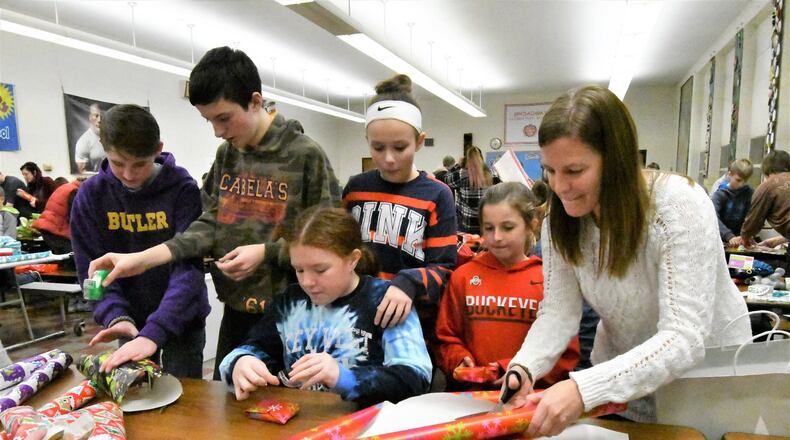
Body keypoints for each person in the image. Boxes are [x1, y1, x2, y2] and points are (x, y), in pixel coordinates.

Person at [499, 85, 751, 436]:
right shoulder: (561, 219)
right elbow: (558, 311)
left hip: (706, 380)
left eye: (574, 170)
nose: (559, 186)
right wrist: (525, 366)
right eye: (549, 171)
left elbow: (685, 336)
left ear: (614, 161)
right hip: (622, 379)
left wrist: (582, 388)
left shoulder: (677, 205)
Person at [89, 46, 341, 379]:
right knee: (227, 407)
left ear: (255, 101)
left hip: (295, 313)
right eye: (209, 121)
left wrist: (265, 252)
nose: (218, 131)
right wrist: (140, 259)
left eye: (224, 118)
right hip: (237, 312)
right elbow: (206, 225)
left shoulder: (306, 155)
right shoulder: (227, 156)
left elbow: (331, 240)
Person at [219, 207, 432, 406]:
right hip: (304, 425)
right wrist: (239, 362)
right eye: (299, 270)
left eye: (320, 270)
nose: (307, 282)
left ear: (352, 260)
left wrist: (342, 377)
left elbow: (416, 379)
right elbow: (254, 348)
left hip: (369, 427)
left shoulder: (386, 300)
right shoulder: (290, 302)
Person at [71, 104, 209, 377]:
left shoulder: (183, 190)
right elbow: (90, 272)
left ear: (158, 149)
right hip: (129, 321)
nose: (129, 175)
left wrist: (157, 331)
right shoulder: (90, 196)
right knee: (139, 401)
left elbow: (189, 269)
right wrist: (113, 315)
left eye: (140, 164)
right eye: (118, 163)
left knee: (186, 404)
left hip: (182, 320)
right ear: (103, 148)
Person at [341, 74, 457, 357]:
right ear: (367, 140)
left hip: (411, 325)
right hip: (356, 318)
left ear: (419, 141)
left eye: (400, 147)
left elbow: (444, 268)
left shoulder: (438, 195)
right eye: (378, 148)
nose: (389, 158)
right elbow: (341, 251)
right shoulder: (356, 189)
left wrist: (408, 282)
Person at [435, 182, 579, 391]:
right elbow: (445, 338)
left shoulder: (550, 281)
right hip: (468, 401)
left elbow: (566, 351)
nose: (497, 237)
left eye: (508, 227)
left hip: (530, 402)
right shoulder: (464, 277)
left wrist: (520, 370)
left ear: (532, 224)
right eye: (489, 228)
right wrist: (458, 360)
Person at [739, 150, 790, 247]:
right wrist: (772, 242)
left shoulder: (767, 186)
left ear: (767, 169)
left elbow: (753, 220)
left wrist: (745, 238)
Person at [445, 146, 499, 235]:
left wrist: (457, 165)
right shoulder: (492, 173)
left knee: (467, 248)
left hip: (467, 223)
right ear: (481, 158)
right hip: (486, 222)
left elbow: (446, 179)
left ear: (466, 159)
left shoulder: (461, 174)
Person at [32, 178, 83, 254]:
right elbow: (75, 217)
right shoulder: (75, 191)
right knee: (72, 257)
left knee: (64, 259)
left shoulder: (67, 187)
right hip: (56, 231)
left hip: (48, 228)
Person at [711, 158, 754, 247]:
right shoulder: (720, 195)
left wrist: (746, 235)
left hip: (740, 241)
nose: (741, 184)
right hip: (720, 241)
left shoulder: (749, 193)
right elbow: (713, 217)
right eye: (738, 180)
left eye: (745, 181)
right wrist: (729, 236)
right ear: (730, 174)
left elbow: (752, 216)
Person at [75, 103, 105, 173]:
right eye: (96, 116)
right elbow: (82, 172)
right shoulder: (83, 142)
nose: (99, 120)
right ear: (90, 117)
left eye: (102, 116)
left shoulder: (114, 138)